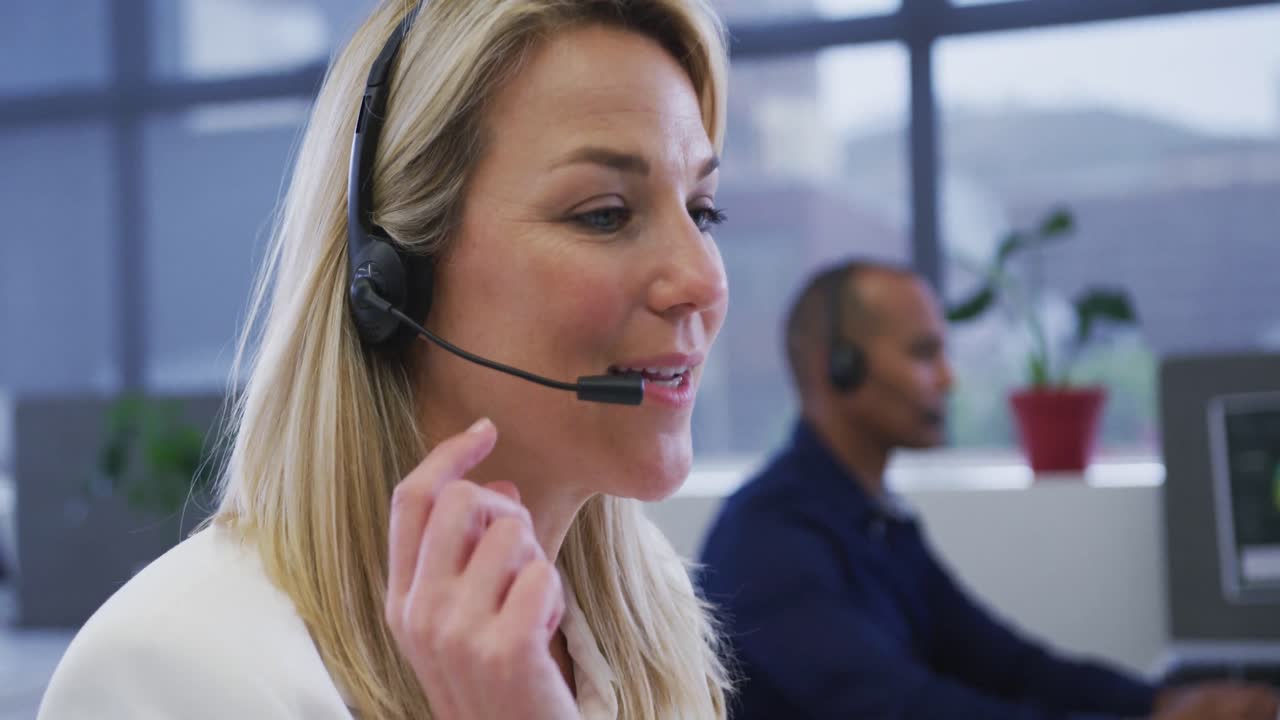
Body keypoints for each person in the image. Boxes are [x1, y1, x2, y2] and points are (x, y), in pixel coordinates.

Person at [39, 1, 733, 717]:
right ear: (393, 276)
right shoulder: (171, 671)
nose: (703, 281)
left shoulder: (651, 613)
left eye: (703, 211)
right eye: (604, 214)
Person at [698, 260, 1280, 720]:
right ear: (839, 368)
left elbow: (1008, 666)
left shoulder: (874, 520)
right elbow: (903, 710)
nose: (949, 379)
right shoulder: (769, 539)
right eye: (925, 353)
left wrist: (1157, 702)